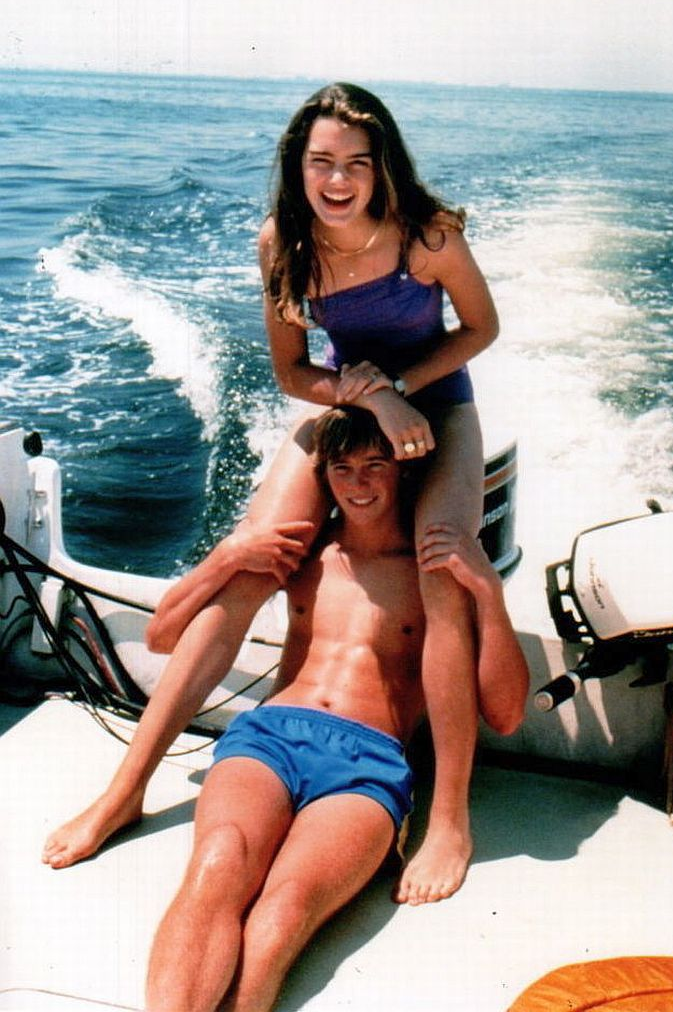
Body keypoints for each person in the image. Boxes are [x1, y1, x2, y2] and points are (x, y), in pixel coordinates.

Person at [140, 81, 501, 903]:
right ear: (297, 166)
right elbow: (293, 372)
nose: (337, 181)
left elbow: (481, 329)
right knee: (255, 561)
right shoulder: (283, 242)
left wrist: (398, 390)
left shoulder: (428, 236)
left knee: (443, 569)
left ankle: (449, 818)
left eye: (356, 164)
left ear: (382, 168)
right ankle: (129, 785)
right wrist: (367, 398)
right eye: (321, 162)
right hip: (345, 404)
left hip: (439, 407)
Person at [44, 407, 529, 1012]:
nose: (358, 485)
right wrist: (227, 555)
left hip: (367, 765)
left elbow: (506, 713)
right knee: (217, 863)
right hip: (269, 740)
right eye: (342, 469)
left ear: (403, 471)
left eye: (375, 466)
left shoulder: (434, 570)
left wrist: (487, 590)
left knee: (284, 910)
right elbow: (163, 637)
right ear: (323, 476)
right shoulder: (302, 554)